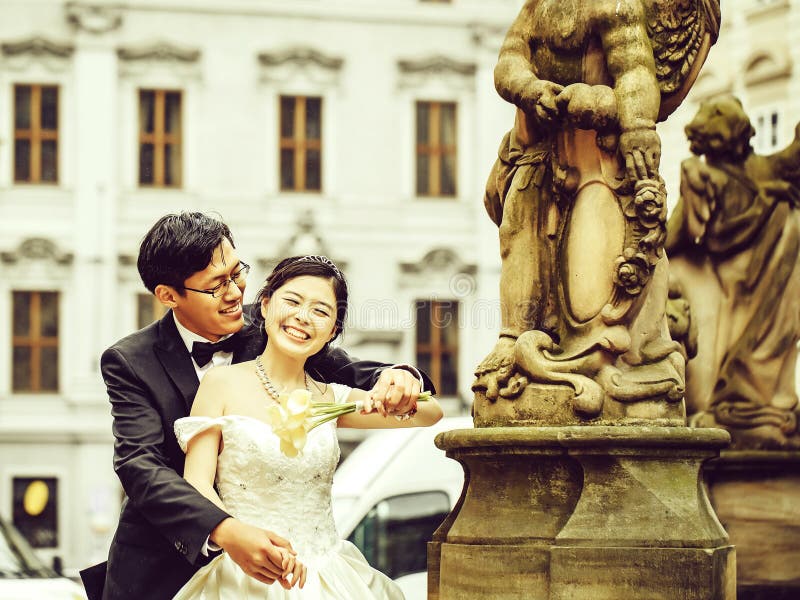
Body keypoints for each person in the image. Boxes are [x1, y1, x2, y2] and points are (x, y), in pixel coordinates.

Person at [79, 213, 433, 600]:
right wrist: (226, 530)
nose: (235, 292)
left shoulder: (275, 326)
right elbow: (140, 465)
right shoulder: (130, 360)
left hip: (295, 572)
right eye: (216, 285)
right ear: (168, 295)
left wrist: (400, 376)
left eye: (236, 273)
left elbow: (360, 375)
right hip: (163, 569)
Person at [172, 254, 443, 598]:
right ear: (266, 305)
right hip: (248, 573)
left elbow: (430, 413)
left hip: (329, 577)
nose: (303, 317)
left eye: (320, 311)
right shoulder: (220, 384)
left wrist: (400, 382)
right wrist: (243, 538)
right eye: (293, 301)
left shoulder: (331, 399)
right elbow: (196, 483)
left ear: (332, 331)